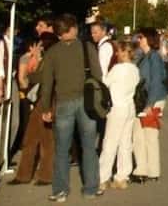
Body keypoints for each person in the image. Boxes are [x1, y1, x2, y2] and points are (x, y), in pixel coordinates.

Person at [38, 13, 104, 201]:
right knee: (89, 147)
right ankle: (91, 188)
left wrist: (46, 109)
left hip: (63, 103)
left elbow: (47, 84)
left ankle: (60, 190)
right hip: (86, 102)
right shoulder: (87, 47)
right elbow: (98, 75)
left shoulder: (52, 52)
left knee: (62, 149)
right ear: (73, 29)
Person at [10, 31, 58, 186]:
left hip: (47, 100)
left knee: (45, 140)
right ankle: (26, 175)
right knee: (32, 138)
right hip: (42, 100)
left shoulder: (51, 59)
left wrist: (35, 62)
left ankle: (44, 175)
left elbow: (39, 77)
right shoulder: (49, 58)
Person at [99, 40, 140, 191]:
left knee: (110, 142)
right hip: (130, 107)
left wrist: (102, 70)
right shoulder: (135, 69)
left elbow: (105, 82)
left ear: (124, 52)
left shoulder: (117, 69)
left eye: (119, 51)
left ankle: (103, 177)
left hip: (117, 107)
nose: (116, 54)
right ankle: (122, 177)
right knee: (125, 143)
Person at [132, 28, 167, 184]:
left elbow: (156, 81)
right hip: (142, 100)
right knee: (138, 136)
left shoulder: (154, 57)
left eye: (141, 37)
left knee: (150, 136)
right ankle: (141, 169)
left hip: (153, 100)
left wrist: (150, 104)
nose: (139, 40)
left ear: (149, 39)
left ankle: (153, 170)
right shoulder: (144, 56)